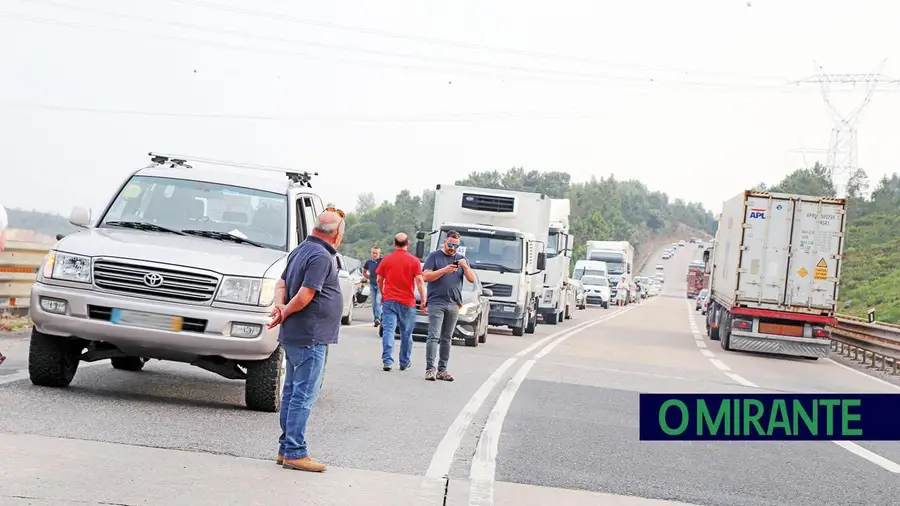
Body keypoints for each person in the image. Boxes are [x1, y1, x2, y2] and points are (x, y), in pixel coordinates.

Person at [267, 209, 345, 473]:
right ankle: (295, 452)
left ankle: (285, 448)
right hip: (310, 335)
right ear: (337, 233)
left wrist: (280, 308)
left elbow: (281, 285)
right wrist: (285, 311)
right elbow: (305, 295)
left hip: (297, 334)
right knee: (302, 396)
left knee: (292, 393)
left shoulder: (300, 250)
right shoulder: (321, 256)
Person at [421, 231, 475, 382]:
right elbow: (426, 276)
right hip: (436, 302)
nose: (452, 248)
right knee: (433, 336)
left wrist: (465, 267)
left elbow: (471, 279)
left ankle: (442, 370)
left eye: (456, 246)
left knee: (447, 338)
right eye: (450, 245)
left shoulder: (461, 259)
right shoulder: (434, 256)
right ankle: (430, 369)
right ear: (445, 242)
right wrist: (444, 270)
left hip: (454, 303)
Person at [376, 233, 426, 372]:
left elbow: (379, 279)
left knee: (388, 330)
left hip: (389, 299)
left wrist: (383, 292)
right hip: (407, 301)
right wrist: (423, 299)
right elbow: (420, 281)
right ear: (407, 244)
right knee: (406, 333)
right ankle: (404, 362)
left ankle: (387, 360)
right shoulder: (414, 261)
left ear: (394, 244)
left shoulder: (387, 259)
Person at [361, 246, 383, 327]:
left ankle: (378, 318)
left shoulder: (382, 261)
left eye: (376, 253)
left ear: (379, 253)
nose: (374, 255)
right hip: (372, 285)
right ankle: (376, 319)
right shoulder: (369, 262)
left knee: (378, 301)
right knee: (374, 303)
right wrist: (369, 277)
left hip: (380, 285)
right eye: (373, 253)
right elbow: (364, 271)